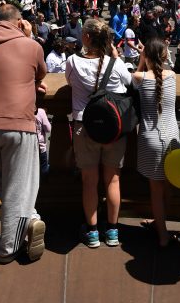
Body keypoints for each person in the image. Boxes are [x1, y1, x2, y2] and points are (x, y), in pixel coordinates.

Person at [0, 4, 48, 264]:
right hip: (19, 123)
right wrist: (29, 36)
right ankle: (8, 247)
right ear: (19, 22)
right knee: (19, 187)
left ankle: (31, 219)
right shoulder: (31, 46)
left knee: (6, 187)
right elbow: (40, 72)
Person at [65, 18, 132, 248]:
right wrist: (116, 57)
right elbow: (130, 82)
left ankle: (92, 232)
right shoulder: (116, 64)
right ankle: (112, 231)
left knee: (89, 182)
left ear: (86, 38)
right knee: (113, 179)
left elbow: (69, 82)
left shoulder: (73, 62)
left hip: (84, 126)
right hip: (114, 129)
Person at [133, 38, 180, 247]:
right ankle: (161, 223)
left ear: (147, 56)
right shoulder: (172, 76)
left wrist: (142, 60)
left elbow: (139, 75)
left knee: (155, 190)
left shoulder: (139, 77)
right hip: (172, 137)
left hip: (151, 139)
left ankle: (162, 235)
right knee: (168, 185)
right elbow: (162, 71)